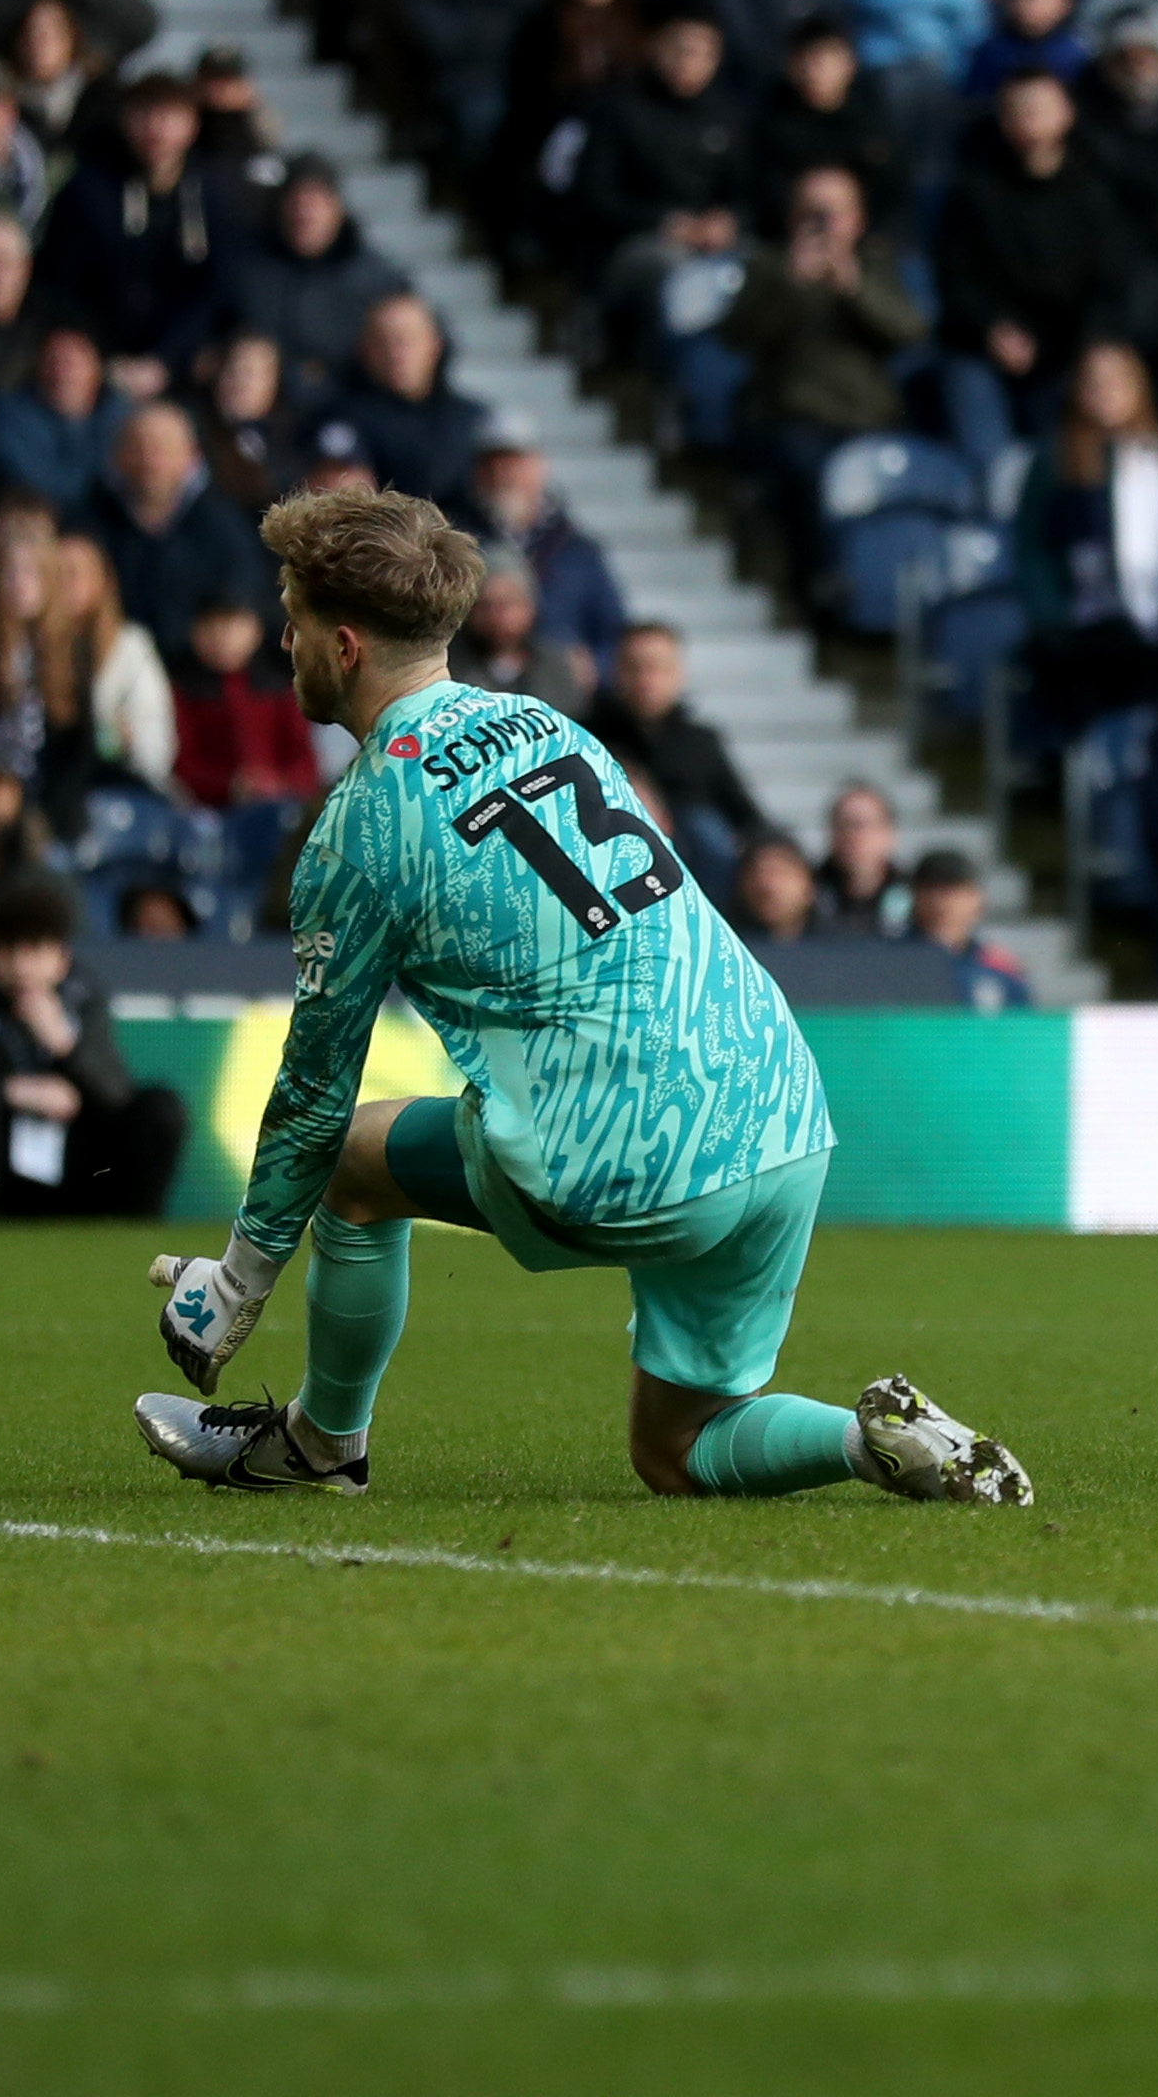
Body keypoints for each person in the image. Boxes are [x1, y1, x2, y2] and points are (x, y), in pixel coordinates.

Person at [136, 487, 1030, 1505]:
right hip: (778, 1103)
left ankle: (322, 1443)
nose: (282, 645)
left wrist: (236, 1285)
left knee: (348, 1162)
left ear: (343, 646)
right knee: (680, 1447)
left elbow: (310, 1095)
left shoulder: (361, 827)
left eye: (291, 623)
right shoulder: (545, 724)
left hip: (621, 1146)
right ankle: (871, 1442)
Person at [0, 875, 191, 1218]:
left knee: (161, 1107)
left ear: (61, 957)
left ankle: (135, 1235)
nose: (21, 966)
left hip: (82, 1176)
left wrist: (66, 1047)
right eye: (8, 949)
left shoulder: (85, 1004)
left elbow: (117, 1097)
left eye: (35, 950)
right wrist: (8, 1091)